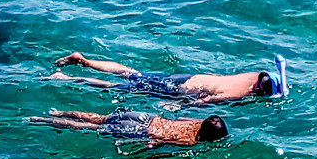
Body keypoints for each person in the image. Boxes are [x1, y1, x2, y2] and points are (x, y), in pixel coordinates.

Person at [46, 52, 288, 103]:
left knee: (131, 74)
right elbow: (209, 100)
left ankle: (85, 61)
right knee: (118, 87)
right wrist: (179, 105)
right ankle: (66, 79)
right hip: (179, 90)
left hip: (188, 77)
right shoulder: (243, 92)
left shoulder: (254, 75)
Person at [28, 108, 228, 147]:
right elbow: (161, 142)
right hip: (142, 131)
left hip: (146, 117)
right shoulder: (191, 141)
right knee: (88, 128)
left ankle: (58, 113)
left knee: (99, 119)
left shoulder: (196, 121)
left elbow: (180, 117)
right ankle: (42, 120)